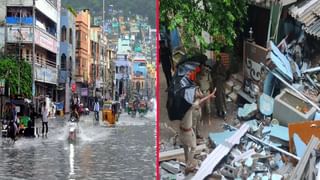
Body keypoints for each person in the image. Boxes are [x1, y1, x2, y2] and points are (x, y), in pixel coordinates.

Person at [180, 88, 216, 174]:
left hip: (181, 130)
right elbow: (200, 100)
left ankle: (186, 161)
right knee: (193, 148)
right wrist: (210, 95)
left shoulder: (180, 106)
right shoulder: (190, 106)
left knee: (185, 146)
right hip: (188, 132)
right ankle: (188, 165)